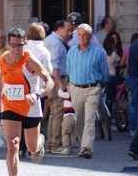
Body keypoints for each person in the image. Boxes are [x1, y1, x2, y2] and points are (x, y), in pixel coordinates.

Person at [0, 27, 53, 176]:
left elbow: (49, 81)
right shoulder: (2, 60)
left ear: (25, 44)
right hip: (11, 107)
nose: (16, 50)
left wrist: (37, 95)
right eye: (13, 45)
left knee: (32, 148)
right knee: (12, 144)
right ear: (8, 44)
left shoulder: (30, 59)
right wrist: (0, 100)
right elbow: (0, 80)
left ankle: (39, 141)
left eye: (20, 46)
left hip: (30, 107)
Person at [66, 23, 110, 159]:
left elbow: (105, 74)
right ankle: (83, 143)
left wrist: (99, 87)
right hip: (76, 89)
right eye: (79, 35)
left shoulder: (99, 53)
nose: (81, 37)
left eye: (85, 35)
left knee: (90, 119)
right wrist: (70, 85)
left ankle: (87, 148)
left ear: (90, 37)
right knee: (79, 119)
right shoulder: (71, 52)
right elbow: (69, 70)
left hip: (92, 88)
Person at [19, 23, 52, 156]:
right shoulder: (44, 51)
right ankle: (35, 144)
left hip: (20, 86)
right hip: (37, 88)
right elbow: (48, 72)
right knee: (35, 118)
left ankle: (22, 148)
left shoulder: (23, 47)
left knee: (20, 117)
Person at [43, 20, 72, 154]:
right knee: (58, 112)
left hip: (52, 79)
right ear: (59, 29)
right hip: (57, 78)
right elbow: (54, 65)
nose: (70, 33)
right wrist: (61, 84)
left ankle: (50, 143)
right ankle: (55, 143)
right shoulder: (56, 43)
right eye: (67, 30)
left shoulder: (50, 39)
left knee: (54, 112)